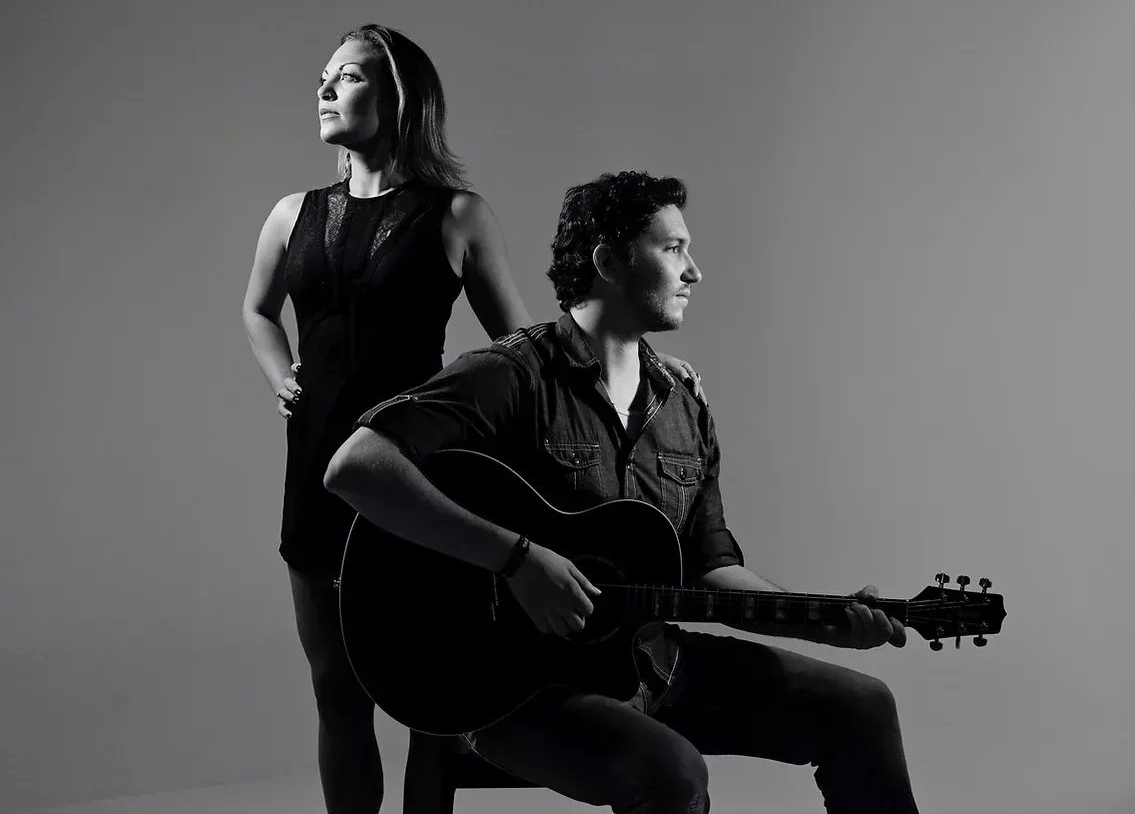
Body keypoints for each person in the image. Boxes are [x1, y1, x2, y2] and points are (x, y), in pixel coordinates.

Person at [323, 170, 921, 814]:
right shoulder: (513, 375)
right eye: (673, 249)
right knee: (670, 772)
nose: (693, 272)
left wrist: (825, 621)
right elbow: (356, 466)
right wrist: (516, 559)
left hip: (648, 663)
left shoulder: (684, 406)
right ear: (608, 260)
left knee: (862, 706)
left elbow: (711, 571)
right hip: (512, 688)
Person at [241, 27, 705, 814]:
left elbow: (532, 348)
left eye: (345, 77)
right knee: (335, 692)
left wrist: (646, 362)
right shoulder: (292, 214)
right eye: (321, 77)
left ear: (398, 97)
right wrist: (280, 372)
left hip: (429, 476)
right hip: (318, 466)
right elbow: (256, 311)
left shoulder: (456, 214)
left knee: (438, 700)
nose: (322, 90)